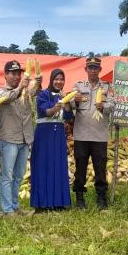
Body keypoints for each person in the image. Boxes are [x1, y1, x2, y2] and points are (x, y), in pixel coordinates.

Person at [0, 59, 42, 216]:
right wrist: (22, 87)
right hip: (8, 140)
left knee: (19, 176)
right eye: (13, 73)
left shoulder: (26, 92)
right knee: (7, 176)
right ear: (5, 75)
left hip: (24, 139)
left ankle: (14, 206)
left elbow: (36, 91)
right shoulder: (0, 92)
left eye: (18, 73)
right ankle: (6, 210)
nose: (16, 76)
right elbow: (9, 98)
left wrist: (38, 83)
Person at [70, 55, 113, 209]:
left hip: (99, 135)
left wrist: (104, 106)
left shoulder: (107, 87)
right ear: (86, 69)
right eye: (90, 68)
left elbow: (113, 105)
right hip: (81, 134)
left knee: (100, 168)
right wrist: (74, 100)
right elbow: (69, 103)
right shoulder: (78, 86)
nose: (93, 70)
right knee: (80, 168)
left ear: (100, 69)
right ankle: (80, 198)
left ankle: (101, 198)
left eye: (96, 68)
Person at [30, 69, 73, 212]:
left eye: (62, 79)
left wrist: (66, 101)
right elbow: (45, 112)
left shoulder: (63, 95)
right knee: (43, 166)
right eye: (56, 79)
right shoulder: (43, 94)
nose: (59, 81)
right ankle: (41, 204)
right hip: (44, 134)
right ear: (51, 79)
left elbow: (68, 117)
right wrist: (57, 106)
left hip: (58, 134)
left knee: (58, 166)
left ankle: (59, 202)